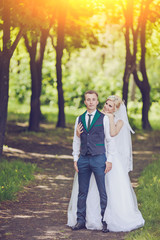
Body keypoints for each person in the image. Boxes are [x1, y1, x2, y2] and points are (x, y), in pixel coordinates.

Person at [67, 95, 145, 232]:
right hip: (91, 155)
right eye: (106, 104)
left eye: (110, 106)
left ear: (116, 109)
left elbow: (112, 135)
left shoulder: (118, 121)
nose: (107, 107)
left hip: (108, 156)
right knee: (87, 189)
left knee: (107, 189)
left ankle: (107, 219)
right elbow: (89, 132)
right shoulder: (96, 115)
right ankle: (86, 218)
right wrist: (79, 135)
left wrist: (109, 117)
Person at [68, 90, 115, 232]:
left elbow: (109, 140)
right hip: (83, 159)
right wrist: (75, 159)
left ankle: (104, 220)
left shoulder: (104, 118)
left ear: (97, 101)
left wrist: (110, 160)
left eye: (93, 99)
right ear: (84, 102)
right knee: (82, 192)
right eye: (88, 99)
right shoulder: (79, 118)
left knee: (102, 191)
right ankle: (80, 220)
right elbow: (76, 140)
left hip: (99, 158)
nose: (90, 102)